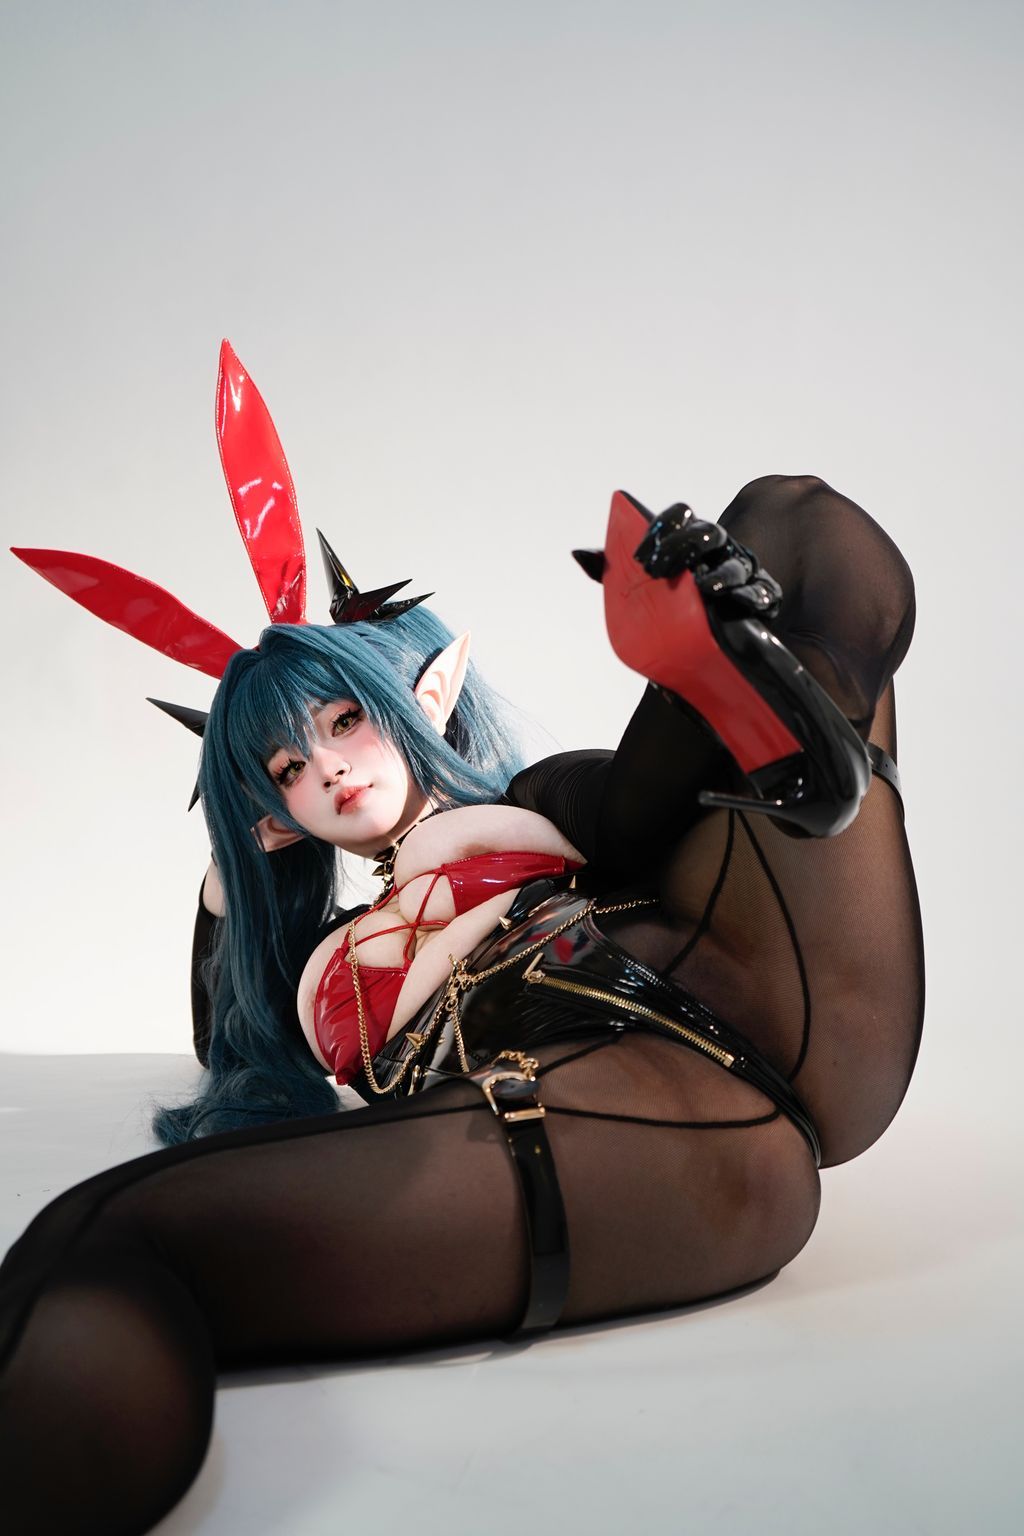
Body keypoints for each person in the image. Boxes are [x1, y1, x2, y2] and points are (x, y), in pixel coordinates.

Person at [0, 344, 923, 1536]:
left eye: (344, 720)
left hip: (771, 992)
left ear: (418, 698)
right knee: (104, 1236)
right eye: (287, 768)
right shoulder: (324, 968)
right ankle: (758, 709)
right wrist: (235, 869)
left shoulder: (531, 803)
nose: (328, 767)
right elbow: (230, 1034)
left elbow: (634, 809)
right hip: (634, 1126)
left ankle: (780, 708)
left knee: (785, 517)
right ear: (275, 820)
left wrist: (690, 654)